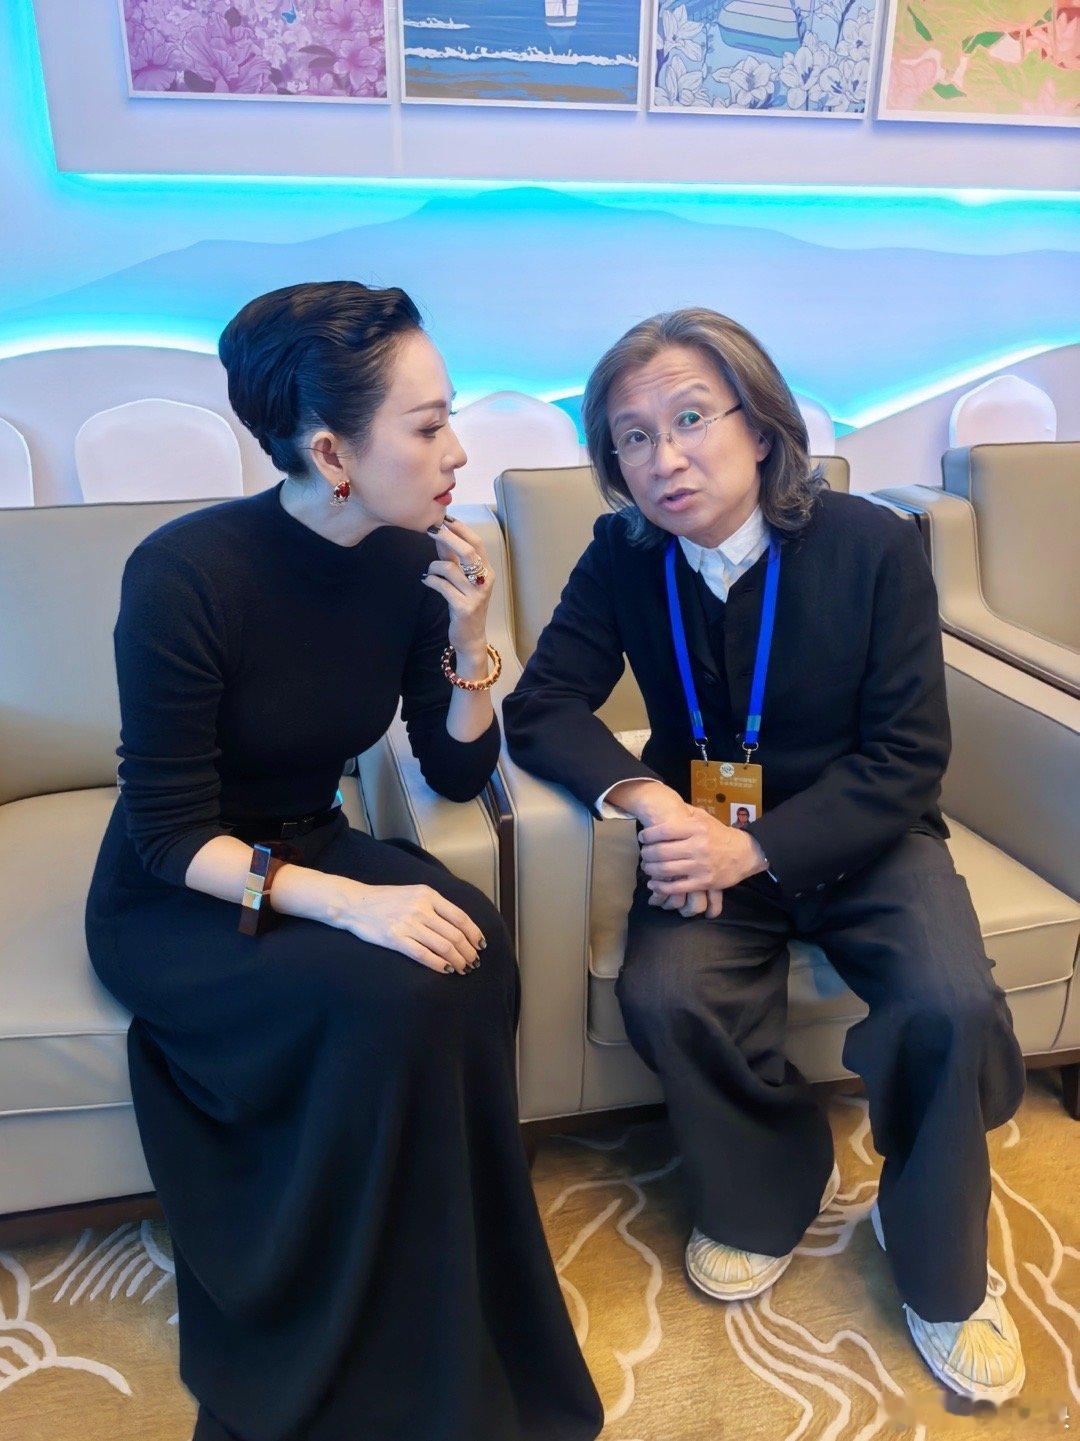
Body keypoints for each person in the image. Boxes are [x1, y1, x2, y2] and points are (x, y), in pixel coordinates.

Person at [85, 281, 603, 1441]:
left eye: (449, 415)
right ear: (330, 451)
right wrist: (355, 907)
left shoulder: (407, 560)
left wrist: (469, 641)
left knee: (474, 945)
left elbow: (455, 770)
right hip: (181, 892)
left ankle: (450, 1276)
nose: (458, 450)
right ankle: (341, 1306)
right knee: (389, 991)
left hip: (308, 838)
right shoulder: (184, 574)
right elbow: (167, 835)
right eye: (428, 425)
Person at [503, 308, 1028, 1405]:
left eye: (690, 418)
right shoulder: (623, 554)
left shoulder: (873, 545)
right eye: (633, 436)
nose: (664, 457)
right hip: (698, 831)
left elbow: (907, 756)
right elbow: (543, 703)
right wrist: (651, 801)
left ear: (759, 423)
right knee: (666, 991)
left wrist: (756, 851)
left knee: (949, 1000)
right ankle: (776, 1181)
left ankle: (941, 1265)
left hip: (863, 834)